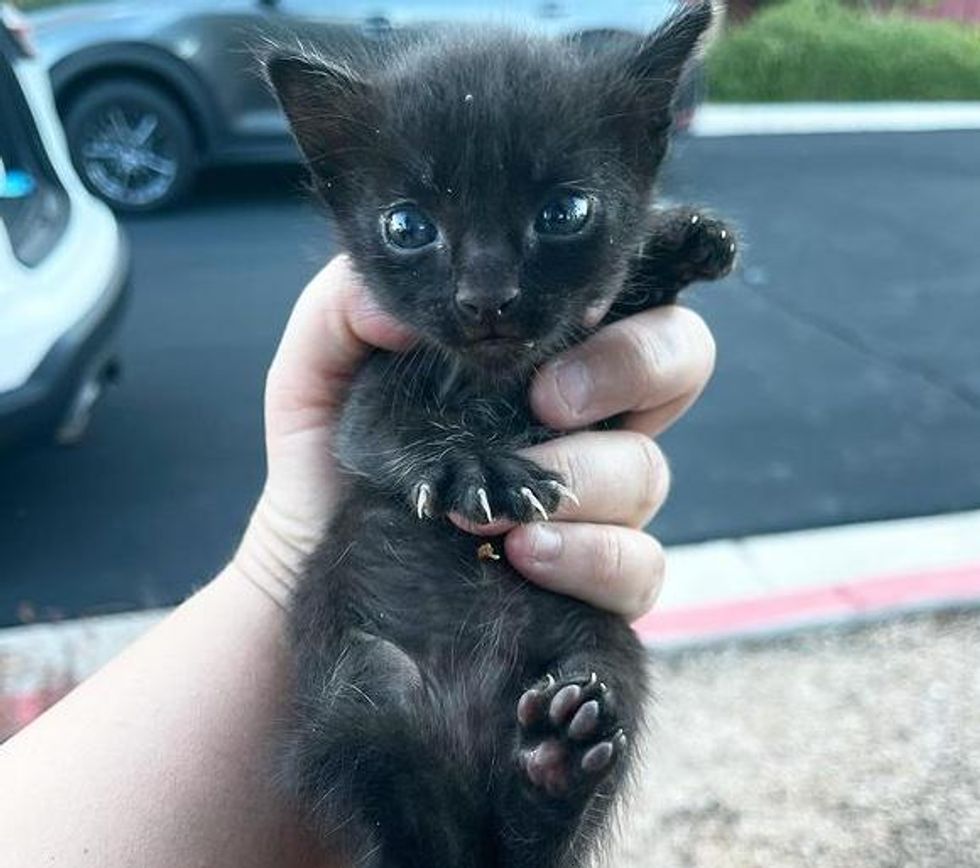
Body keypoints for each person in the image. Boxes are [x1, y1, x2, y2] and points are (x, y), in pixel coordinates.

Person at [0, 256, 716, 867]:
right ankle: (527, 799)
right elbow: (371, 432)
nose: (483, 288)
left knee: (594, 667)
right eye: (414, 230)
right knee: (384, 723)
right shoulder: (394, 355)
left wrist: (647, 279)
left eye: (562, 214)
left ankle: (542, 802)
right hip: (395, 637)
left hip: (504, 642)